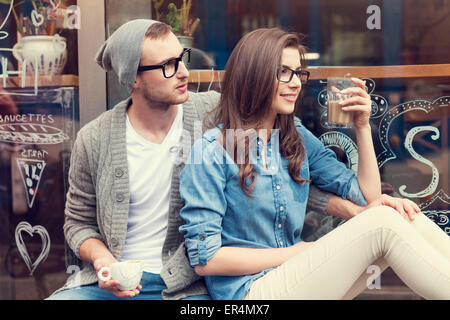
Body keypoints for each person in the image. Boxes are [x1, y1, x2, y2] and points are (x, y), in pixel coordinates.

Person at [45, 19, 350, 300]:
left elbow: (283, 170)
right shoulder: (94, 138)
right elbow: (78, 222)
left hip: (184, 287)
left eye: (182, 58)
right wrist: (104, 262)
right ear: (133, 78)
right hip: (112, 287)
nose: (184, 73)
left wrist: (356, 209)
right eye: (168, 65)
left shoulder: (214, 114)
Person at [178, 28, 450, 300]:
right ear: (253, 75)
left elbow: (369, 198)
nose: (296, 83)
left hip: (295, 273)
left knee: (398, 215)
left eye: (298, 72)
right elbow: (207, 260)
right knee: (382, 222)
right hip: (250, 291)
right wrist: (296, 252)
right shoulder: (213, 150)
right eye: (284, 72)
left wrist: (363, 126)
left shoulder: (294, 136)